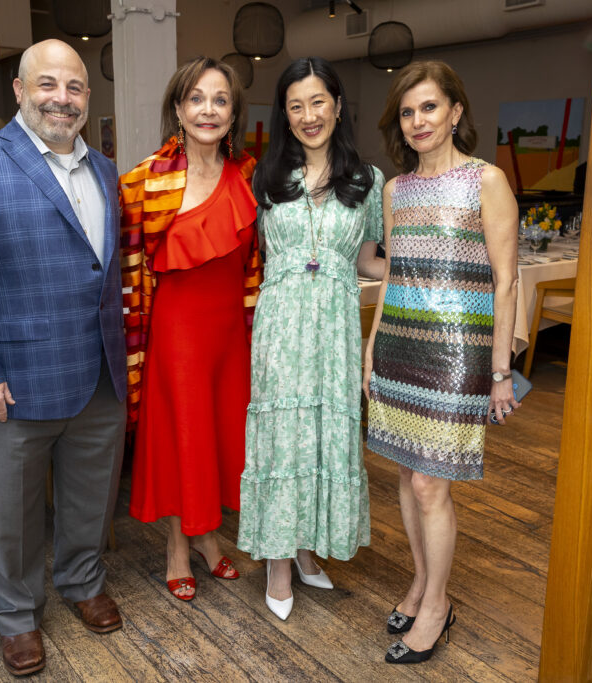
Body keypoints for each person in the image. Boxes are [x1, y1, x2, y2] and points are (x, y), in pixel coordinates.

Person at [0, 39, 126, 677]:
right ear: (19, 90)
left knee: (91, 498)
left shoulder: (106, 170)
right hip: (13, 381)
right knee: (12, 512)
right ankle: (16, 615)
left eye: (74, 87)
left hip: (99, 372)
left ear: (87, 97)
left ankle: (82, 581)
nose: (61, 99)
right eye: (47, 84)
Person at [365, 60, 519, 664]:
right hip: (400, 345)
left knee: (432, 481)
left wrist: (500, 372)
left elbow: (506, 281)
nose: (418, 121)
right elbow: (393, 273)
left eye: (429, 107)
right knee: (408, 474)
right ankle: (421, 582)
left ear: (455, 112)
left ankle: (436, 604)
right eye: (407, 112)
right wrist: (373, 346)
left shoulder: (487, 180)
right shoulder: (395, 189)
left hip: (459, 352)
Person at [237, 57, 385, 621]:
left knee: (323, 436)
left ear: (338, 106)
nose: (308, 115)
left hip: (337, 328)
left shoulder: (368, 181)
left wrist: (421, 270)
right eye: (295, 106)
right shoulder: (264, 179)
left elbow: (369, 261)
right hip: (281, 326)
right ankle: (279, 561)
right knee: (283, 439)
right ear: (285, 114)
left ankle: (306, 549)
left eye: (318, 101)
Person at [120, 56, 260, 601]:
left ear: (234, 113)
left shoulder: (248, 175)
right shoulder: (145, 181)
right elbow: (127, 269)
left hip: (231, 334)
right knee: (185, 438)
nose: (208, 110)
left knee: (219, 440)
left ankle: (207, 535)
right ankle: (178, 547)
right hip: (177, 335)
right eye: (196, 98)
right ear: (178, 110)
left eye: (220, 100)